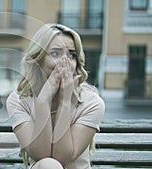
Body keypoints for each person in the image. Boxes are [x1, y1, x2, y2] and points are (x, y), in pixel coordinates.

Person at [6, 23, 105, 169]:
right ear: (38, 59)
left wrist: (65, 101)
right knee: (49, 165)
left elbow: (63, 157)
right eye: (55, 53)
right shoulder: (18, 100)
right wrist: (43, 101)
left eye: (71, 54)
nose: (65, 62)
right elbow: (41, 155)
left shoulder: (91, 102)